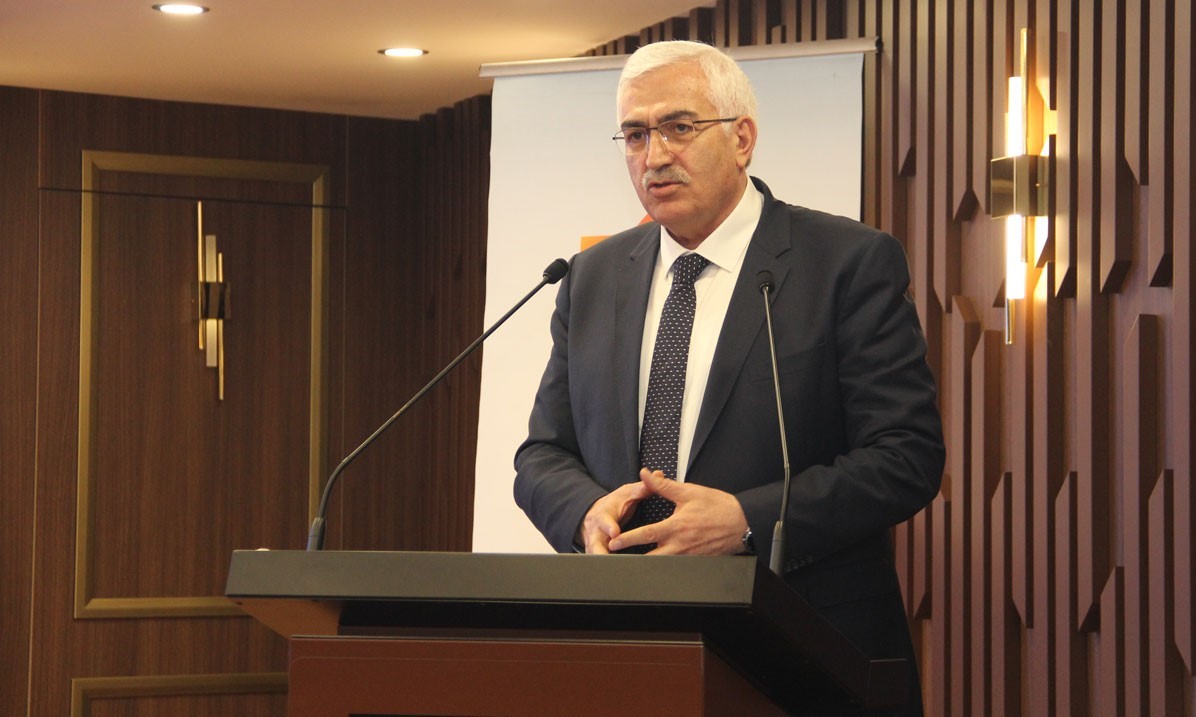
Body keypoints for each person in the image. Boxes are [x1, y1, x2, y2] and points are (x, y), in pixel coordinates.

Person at [513, 40, 944, 716]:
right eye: (635, 134)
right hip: (625, 648)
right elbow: (543, 454)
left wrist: (747, 521)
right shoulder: (591, 277)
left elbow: (906, 456)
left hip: (804, 652)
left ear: (742, 139)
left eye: (678, 127)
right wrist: (584, 514)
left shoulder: (845, 263)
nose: (654, 155)